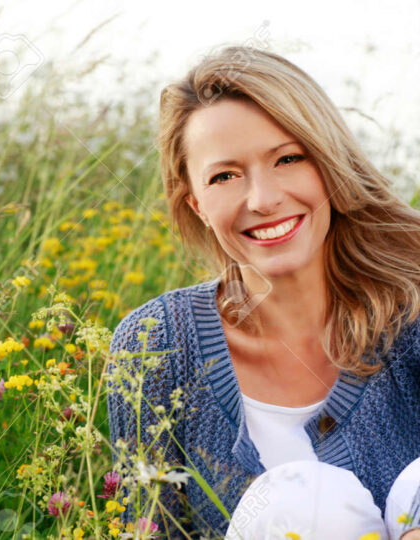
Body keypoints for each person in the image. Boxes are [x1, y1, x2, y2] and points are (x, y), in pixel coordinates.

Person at [105, 45, 420, 539]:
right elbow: (146, 527)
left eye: (288, 159)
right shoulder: (155, 344)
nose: (264, 199)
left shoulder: (411, 315)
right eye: (225, 176)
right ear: (197, 204)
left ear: (330, 165)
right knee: (302, 504)